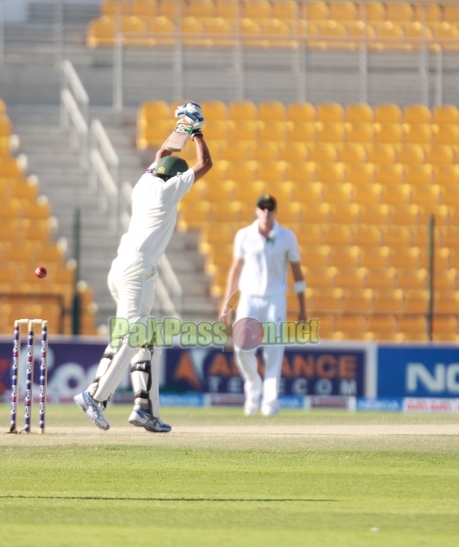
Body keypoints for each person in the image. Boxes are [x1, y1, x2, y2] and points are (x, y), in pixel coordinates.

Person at [76, 103, 212, 433]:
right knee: (133, 334)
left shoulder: (144, 183)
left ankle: (144, 408)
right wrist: (198, 132)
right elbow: (205, 163)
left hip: (125, 267)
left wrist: (182, 125)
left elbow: (164, 151)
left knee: (145, 338)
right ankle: (96, 395)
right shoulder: (168, 192)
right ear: (175, 176)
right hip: (137, 269)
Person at [222, 194, 306, 416]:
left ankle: (270, 402)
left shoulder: (287, 237)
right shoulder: (244, 235)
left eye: (270, 207)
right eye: (263, 207)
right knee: (241, 347)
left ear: (275, 211)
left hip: (276, 297)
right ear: (257, 210)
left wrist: (303, 307)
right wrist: (228, 304)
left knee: (274, 350)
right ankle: (253, 388)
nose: (266, 211)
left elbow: (298, 273)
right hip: (248, 296)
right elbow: (236, 269)